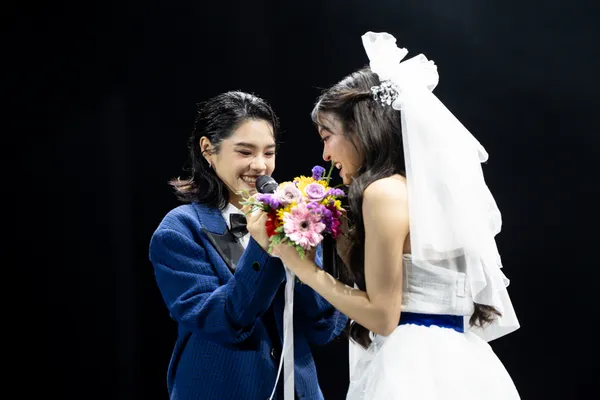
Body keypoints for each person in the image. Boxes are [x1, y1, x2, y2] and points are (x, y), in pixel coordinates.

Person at [261, 32, 521, 399]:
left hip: (412, 363)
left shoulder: (383, 193)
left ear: (360, 129)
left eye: (327, 136)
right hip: (461, 361)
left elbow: (382, 317)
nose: (325, 155)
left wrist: (302, 266)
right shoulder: (425, 192)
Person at [149, 91, 347, 400]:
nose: (260, 165)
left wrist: (305, 260)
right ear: (208, 149)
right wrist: (261, 247)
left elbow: (324, 328)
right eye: (245, 152)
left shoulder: (291, 218)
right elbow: (224, 321)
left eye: (269, 153)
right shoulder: (179, 230)